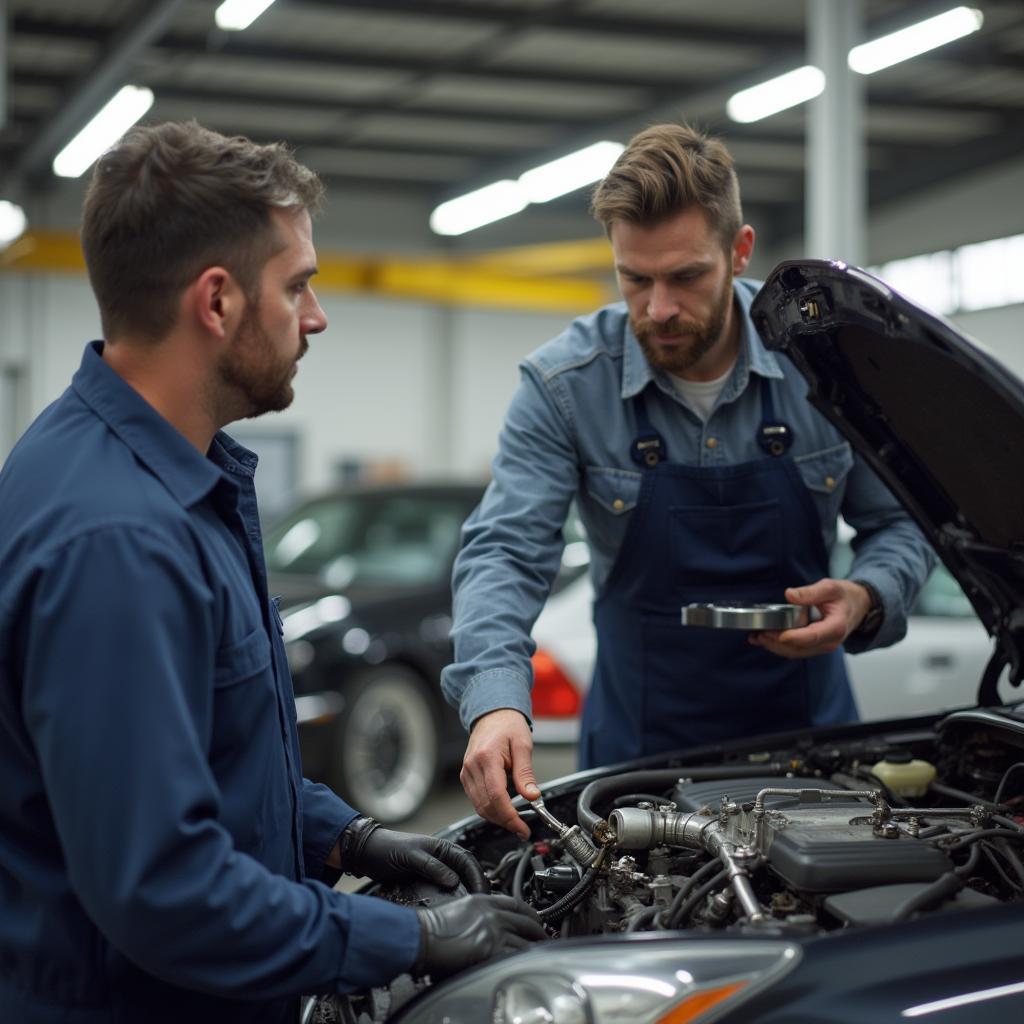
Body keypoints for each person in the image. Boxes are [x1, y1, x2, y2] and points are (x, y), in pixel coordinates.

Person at [0, 121, 543, 1024]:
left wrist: (346, 837)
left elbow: (206, 759)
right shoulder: (117, 540)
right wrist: (408, 940)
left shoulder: (175, 478)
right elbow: (164, 890)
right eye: (298, 286)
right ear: (217, 302)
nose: (318, 315)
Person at [442, 122, 936, 839]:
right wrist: (494, 702)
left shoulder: (829, 368)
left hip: (813, 751)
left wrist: (866, 596)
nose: (659, 308)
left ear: (740, 252)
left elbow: (900, 523)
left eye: (685, 277)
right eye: (634, 279)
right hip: (636, 759)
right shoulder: (563, 387)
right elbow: (504, 552)